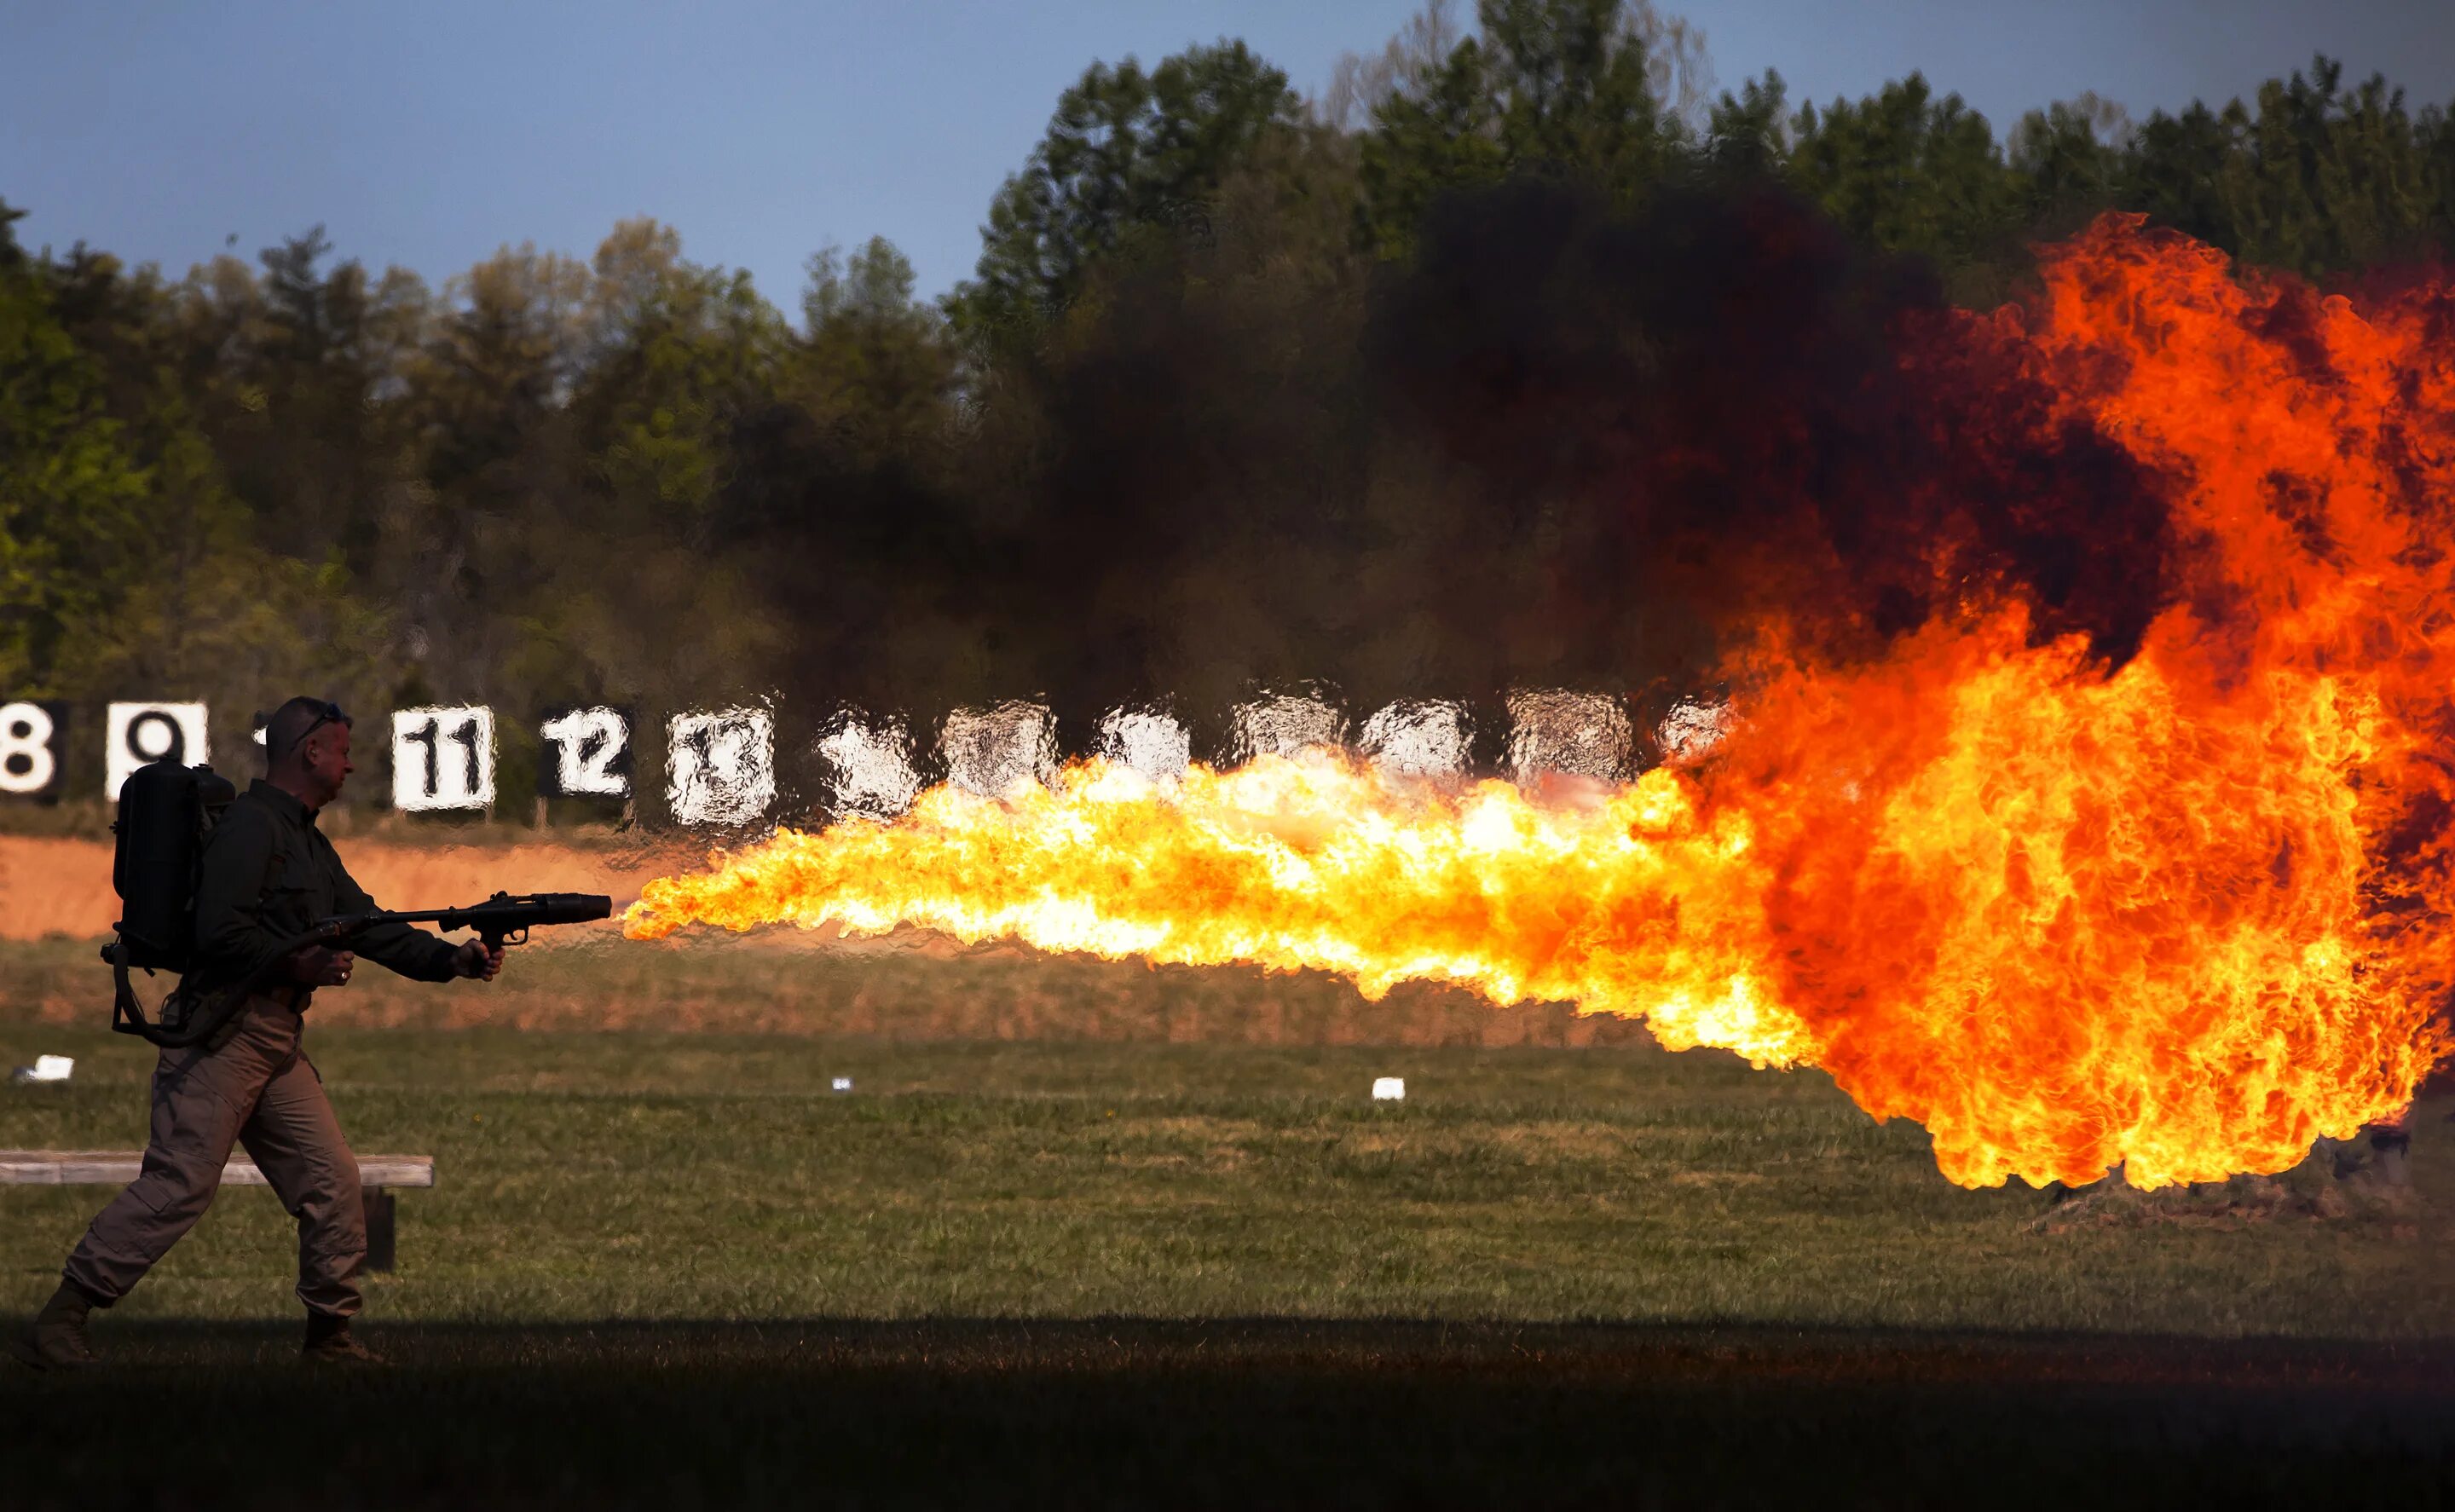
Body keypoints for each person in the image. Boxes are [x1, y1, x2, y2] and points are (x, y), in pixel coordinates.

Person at [20, 697, 503, 1369]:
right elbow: (220, 932)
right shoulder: (252, 828)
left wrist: (451, 960)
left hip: (273, 1039)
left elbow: (365, 924)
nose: (350, 764)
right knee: (180, 1185)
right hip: (223, 1032)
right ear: (310, 752)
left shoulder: (305, 838)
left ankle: (329, 1341)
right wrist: (295, 960)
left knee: (333, 1183)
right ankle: (62, 1319)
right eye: (341, 750)